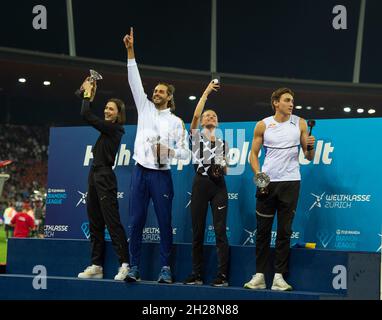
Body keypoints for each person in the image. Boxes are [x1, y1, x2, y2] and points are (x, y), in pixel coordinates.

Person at [123, 28, 190, 283]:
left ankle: (165, 268)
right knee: (136, 221)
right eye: (155, 91)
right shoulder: (145, 108)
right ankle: (134, 267)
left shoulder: (176, 122)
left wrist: (170, 151)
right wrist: (130, 51)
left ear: (170, 97)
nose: (156, 93)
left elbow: (185, 154)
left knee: (164, 223)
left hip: (162, 176)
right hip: (140, 171)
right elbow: (134, 80)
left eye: (161, 92)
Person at [244, 87, 315, 291]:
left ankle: (278, 277)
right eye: (287, 100)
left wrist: (311, 146)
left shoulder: (300, 123)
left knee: (285, 231)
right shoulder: (263, 125)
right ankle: (259, 276)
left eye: (292, 100)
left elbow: (308, 156)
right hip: (267, 182)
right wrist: (258, 173)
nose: (291, 103)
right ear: (276, 102)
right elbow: (253, 155)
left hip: (291, 182)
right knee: (263, 231)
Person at [76, 77, 130, 281]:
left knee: (112, 222)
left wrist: (89, 95)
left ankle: (125, 264)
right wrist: (87, 90)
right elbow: (79, 99)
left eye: (111, 109)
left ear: (118, 115)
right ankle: (96, 265)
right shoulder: (107, 129)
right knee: (95, 223)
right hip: (94, 175)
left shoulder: (115, 128)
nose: (107, 111)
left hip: (105, 176)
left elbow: (85, 114)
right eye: (106, 108)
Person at [183, 80, 230, 287]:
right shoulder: (195, 137)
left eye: (214, 116)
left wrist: (221, 167)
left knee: (220, 231)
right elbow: (194, 115)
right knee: (198, 230)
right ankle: (196, 273)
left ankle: (222, 276)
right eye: (207, 115)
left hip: (218, 187)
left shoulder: (223, 143)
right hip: (200, 185)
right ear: (201, 122)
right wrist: (207, 92)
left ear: (217, 123)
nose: (210, 116)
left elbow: (226, 169)